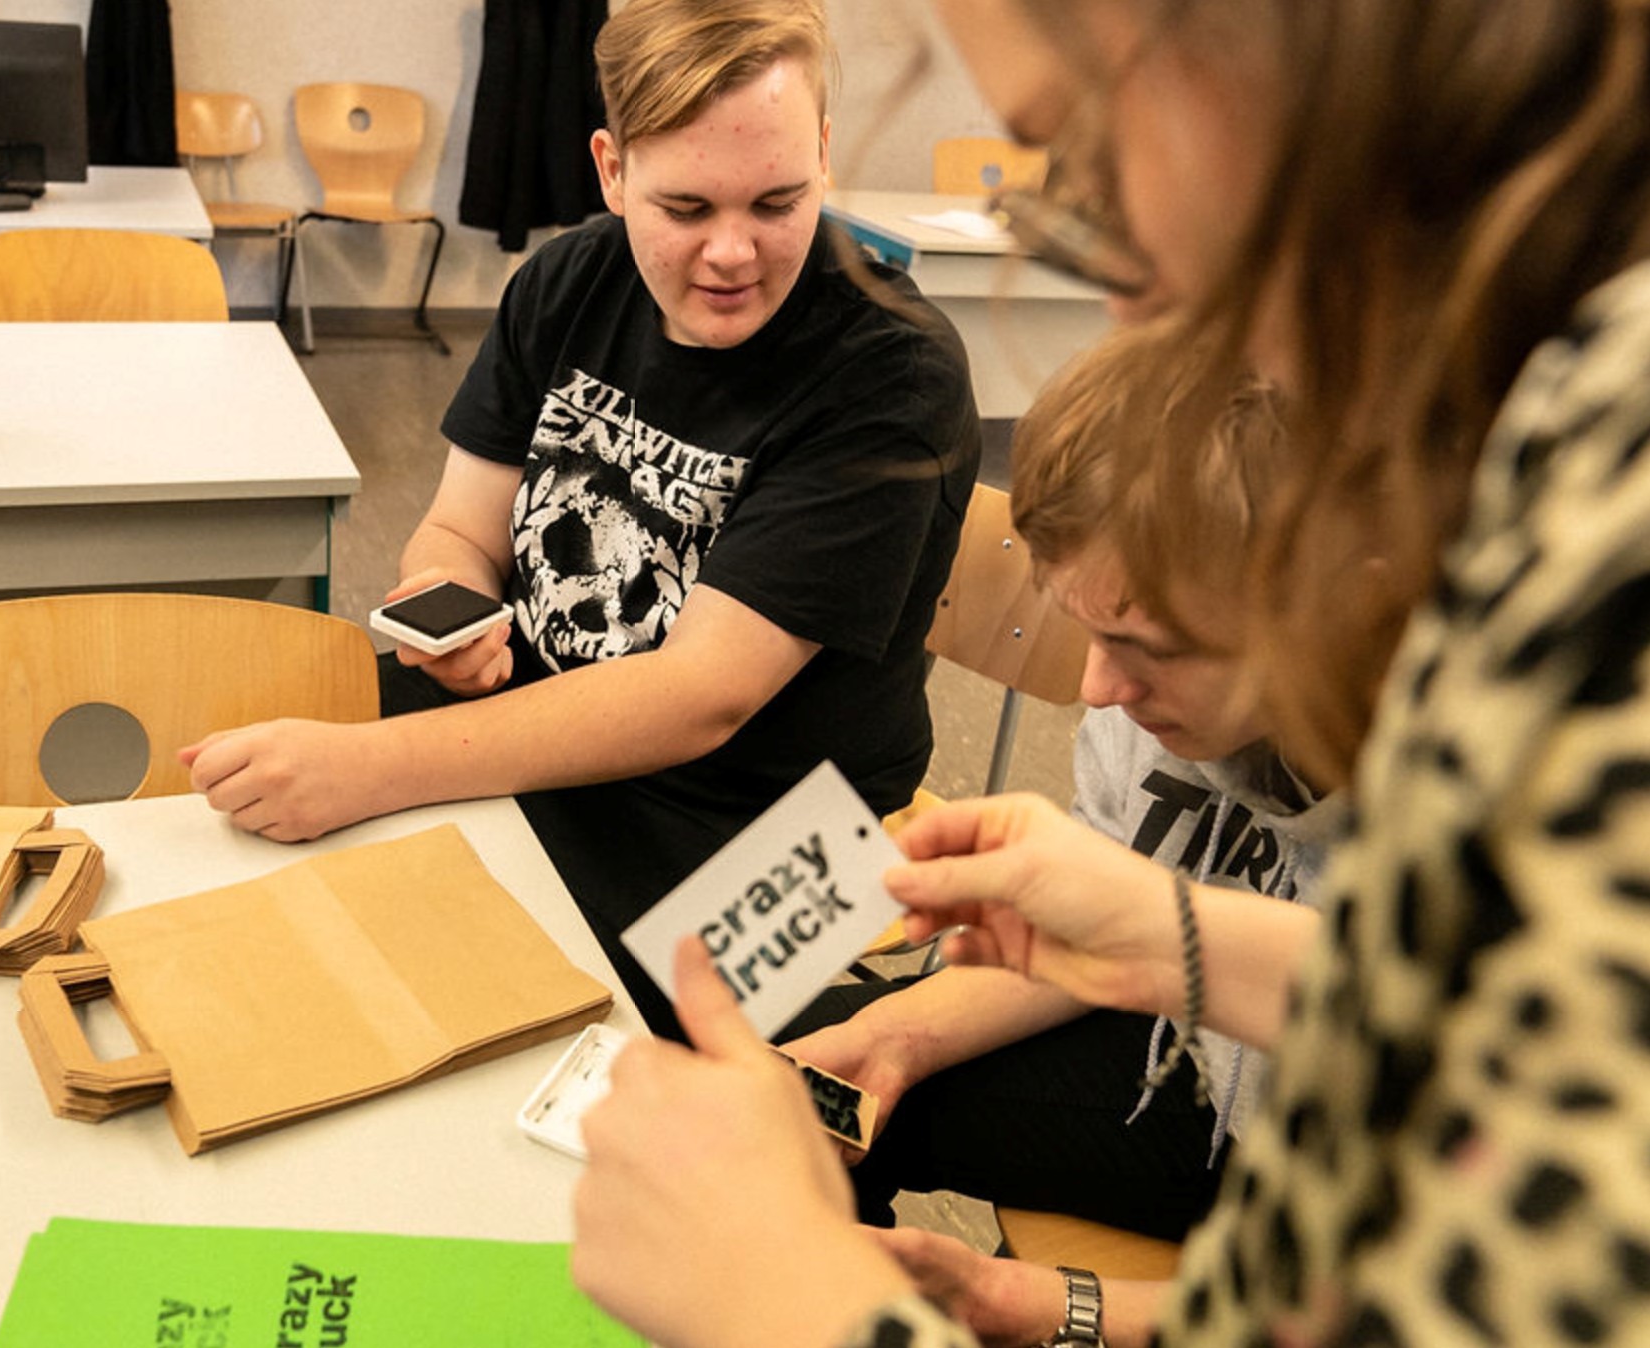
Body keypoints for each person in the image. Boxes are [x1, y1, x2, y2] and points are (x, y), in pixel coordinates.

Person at [571, 2, 1650, 1346]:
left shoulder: (1593, 499)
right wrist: (1172, 936)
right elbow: (1469, 1028)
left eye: (1085, 148)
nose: (1129, 295)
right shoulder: (1540, 434)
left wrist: (800, 1304)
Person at [183, 0, 980, 1036]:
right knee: (257, 918)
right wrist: (450, 606)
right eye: (684, 207)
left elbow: (701, 699)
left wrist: (370, 770)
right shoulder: (569, 280)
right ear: (611, 170)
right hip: (543, 711)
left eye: (777, 201)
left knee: (548, 1050)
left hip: (799, 821)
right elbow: (459, 531)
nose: (731, 252)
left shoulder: (893, 370)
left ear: (823, 154)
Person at [778, 320, 1341, 1285]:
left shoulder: (1486, 791)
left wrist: (1059, 1310)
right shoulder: (1154, 686)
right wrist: (893, 1038)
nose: (1095, 689)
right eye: (1089, 632)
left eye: (1149, 649)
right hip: (1194, 1056)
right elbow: (1102, 942)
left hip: (1348, 1175)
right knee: (803, 1082)